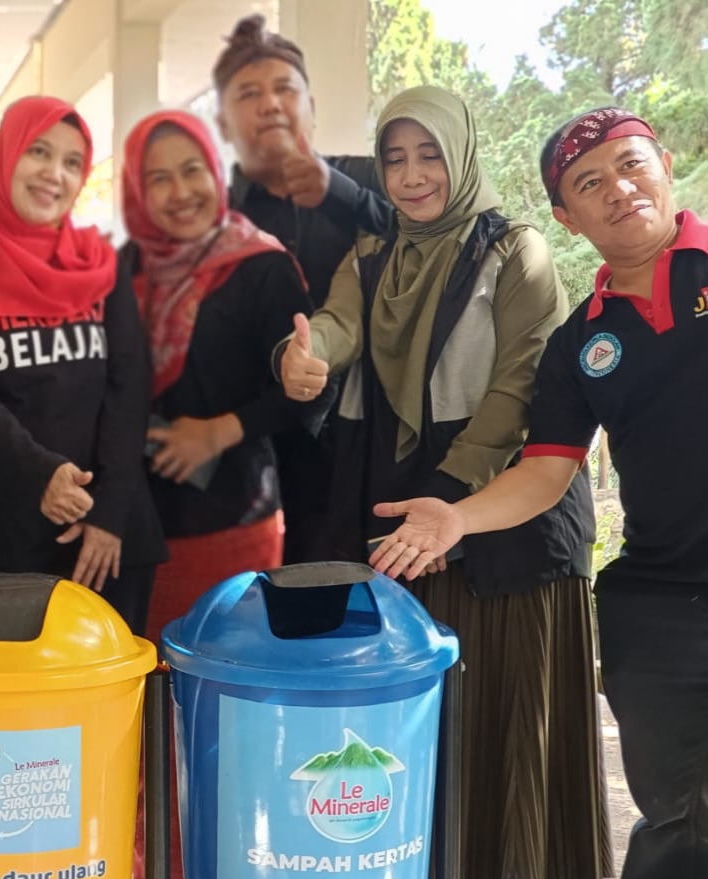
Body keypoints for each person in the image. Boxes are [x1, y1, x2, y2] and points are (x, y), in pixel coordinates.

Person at [279, 87, 611, 879]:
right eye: (394, 159)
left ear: (460, 156)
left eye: (429, 154)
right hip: (413, 522)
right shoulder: (370, 259)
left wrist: (446, 506)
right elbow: (336, 323)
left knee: (507, 732)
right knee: (435, 738)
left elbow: (518, 393)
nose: (411, 175)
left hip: (508, 528)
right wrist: (301, 358)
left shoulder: (515, 251)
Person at [369, 107, 706, 879]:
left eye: (631, 164)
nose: (619, 188)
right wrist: (455, 516)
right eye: (590, 182)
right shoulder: (577, 343)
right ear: (566, 214)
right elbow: (547, 470)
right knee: (681, 817)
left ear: (665, 163)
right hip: (658, 609)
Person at [0, 95, 164, 624]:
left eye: (73, 162)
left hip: (103, 539)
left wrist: (110, 511)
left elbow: (129, 386)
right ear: (5, 156)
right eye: (39, 152)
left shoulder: (99, 265)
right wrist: (42, 475)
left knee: (106, 698)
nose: (55, 174)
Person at [120, 109, 317, 638]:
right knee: (148, 687)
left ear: (215, 171)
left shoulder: (261, 266)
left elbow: (308, 394)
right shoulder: (125, 269)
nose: (180, 191)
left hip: (234, 517)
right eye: (158, 178)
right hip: (136, 526)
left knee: (223, 677)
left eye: (192, 170)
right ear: (137, 189)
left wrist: (215, 432)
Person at [213, 14, 393, 564]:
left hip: (379, 450)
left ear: (311, 105)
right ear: (223, 123)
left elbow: (431, 245)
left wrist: (340, 193)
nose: (270, 103)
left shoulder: (371, 178)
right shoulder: (213, 219)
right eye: (249, 93)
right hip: (259, 470)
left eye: (284, 89)